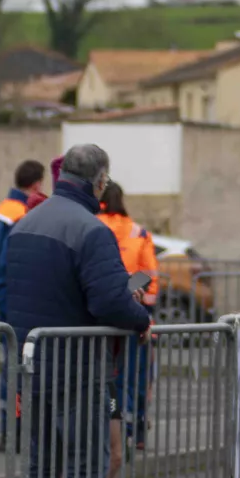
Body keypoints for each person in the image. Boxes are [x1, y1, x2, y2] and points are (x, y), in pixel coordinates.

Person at [4, 143, 151, 478]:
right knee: (86, 466)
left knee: (40, 466)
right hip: (79, 365)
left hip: (33, 363)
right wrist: (140, 317)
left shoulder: (25, 224)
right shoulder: (91, 230)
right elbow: (108, 302)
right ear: (100, 182)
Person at [0, 160, 45, 453]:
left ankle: (9, 430)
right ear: (37, 184)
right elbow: (14, 259)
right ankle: (18, 430)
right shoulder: (23, 213)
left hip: (3, 294)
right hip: (17, 298)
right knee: (22, 368)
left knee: (11, 365)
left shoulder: (2, 209)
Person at [96, 181, 157, 452]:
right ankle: (134, 431)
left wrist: (114, 293)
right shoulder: (139, 232)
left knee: (106, 376)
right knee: (135, 375)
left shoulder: (92, 226)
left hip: (100, 316)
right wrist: (129, 292)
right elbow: (149, 274)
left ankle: (109, 433)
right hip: (134, 315)